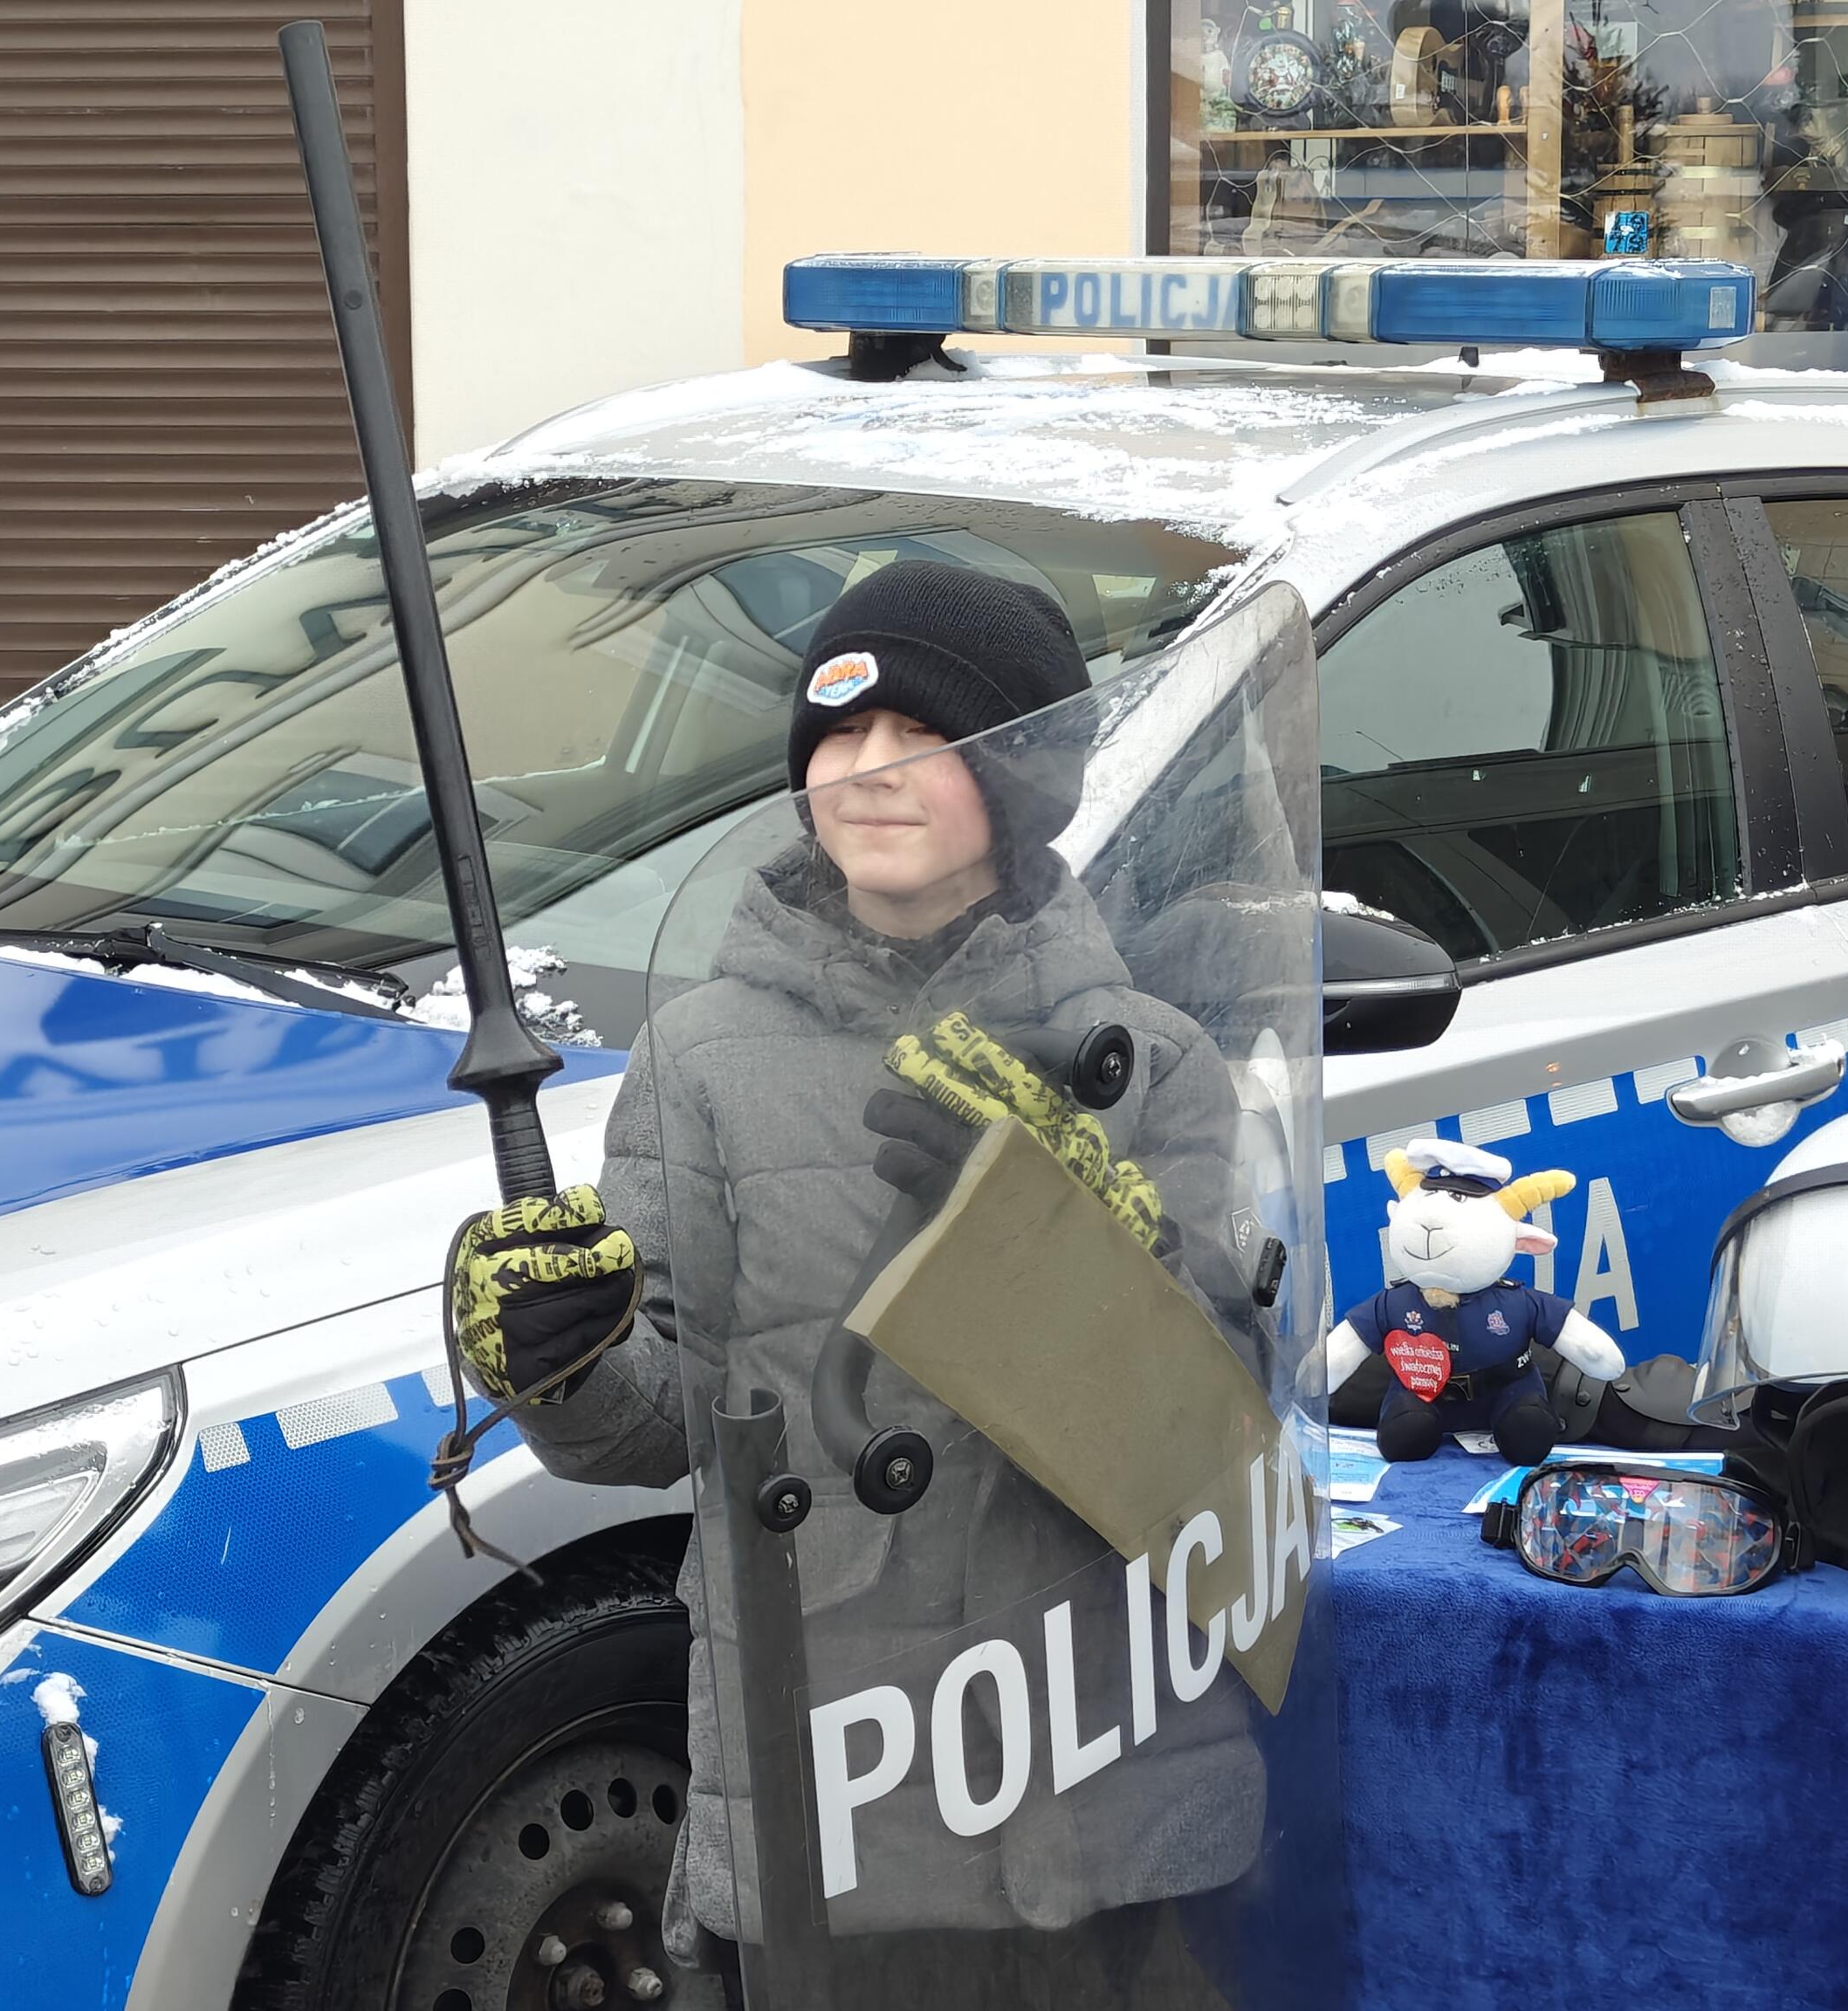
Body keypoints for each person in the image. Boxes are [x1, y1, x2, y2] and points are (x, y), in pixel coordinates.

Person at [447, 560, 1268, 2001]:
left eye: (923, 736)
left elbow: (1218, 1438)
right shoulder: (704, 1058)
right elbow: (666, 1420)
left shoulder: (1149, 1063)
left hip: (1115, 1790)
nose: (868, 770)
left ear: (1020, 781)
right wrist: (563, 1361)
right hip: (839, 1791)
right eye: (838, 733)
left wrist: (1053, 1232)